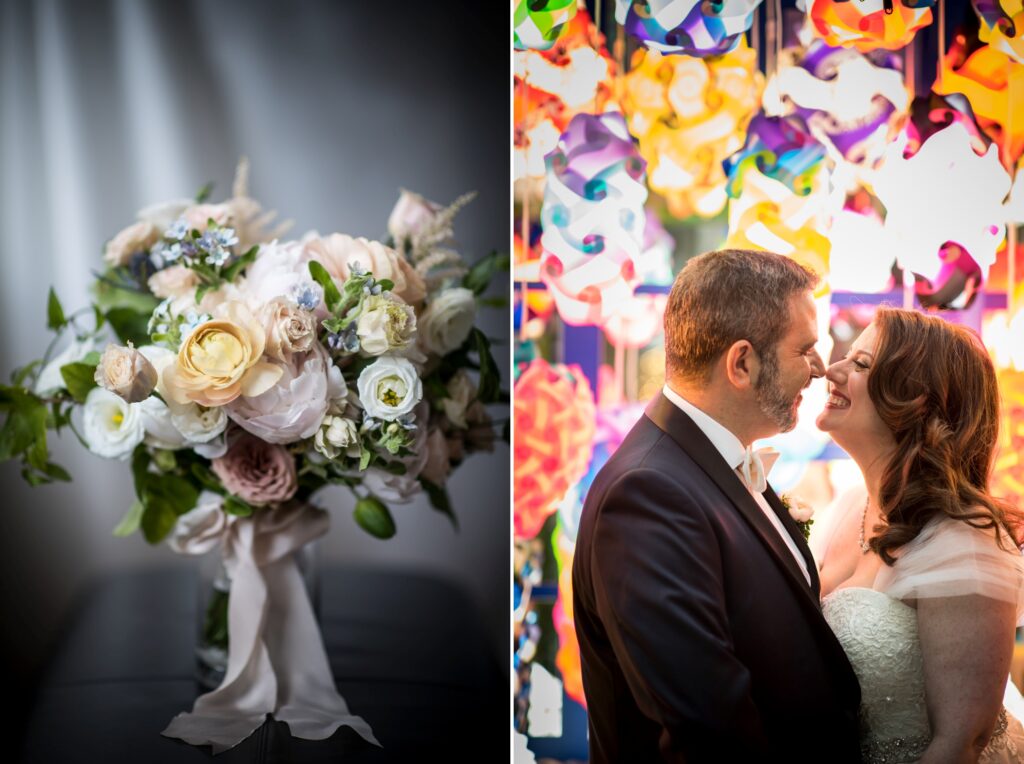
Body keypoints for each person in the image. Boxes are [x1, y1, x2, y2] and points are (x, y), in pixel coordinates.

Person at [572, 249, 861, 763]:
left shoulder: (713, 464)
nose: (820, 370)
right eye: (805, 350)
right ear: (743, 363)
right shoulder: (647, 496)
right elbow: (708, 729)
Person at [813, 307, 1024, 763]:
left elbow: (960, 742)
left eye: (861, 364)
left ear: (913, 399)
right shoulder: (850, 506)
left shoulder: (964, 543)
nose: (832, 369)